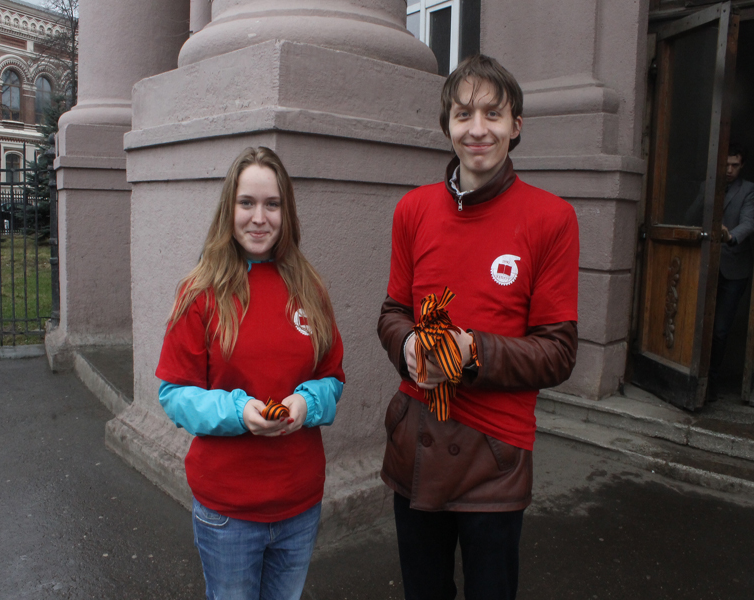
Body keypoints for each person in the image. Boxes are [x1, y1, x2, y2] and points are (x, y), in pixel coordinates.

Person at [377, 55, 579, 600]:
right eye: (463, 114)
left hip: (496, 455)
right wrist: (409, 344)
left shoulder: (552, 218)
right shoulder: (412, 210)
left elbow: (558, 353)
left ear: (516, 125)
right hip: (416, 439)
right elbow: (392, 312)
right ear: (447, 125)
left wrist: (471, 353)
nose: (478, 128)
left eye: (493, 113)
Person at [155, 146, 345, 600]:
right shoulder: (200, 292)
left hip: (299, 505)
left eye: (272, 204)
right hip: (228, 513)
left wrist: (308, 403)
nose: (259, 218)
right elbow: (174, 394)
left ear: (286, 211)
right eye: (247, 203)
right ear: (230, 208)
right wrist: (239, 412)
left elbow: (333, 377)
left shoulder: (310, 287)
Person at [709, 145, 754, 398]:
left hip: (734, 269)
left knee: (720, 330)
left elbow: (748, 223)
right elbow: (691, 215)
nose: (729, 170)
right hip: (705, 266)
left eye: (734, 165)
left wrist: (730, 237)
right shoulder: (709, 186)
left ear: (742, 165)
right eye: (725, 165)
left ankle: (711, 384)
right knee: (698, 325)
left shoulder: (748, 190)